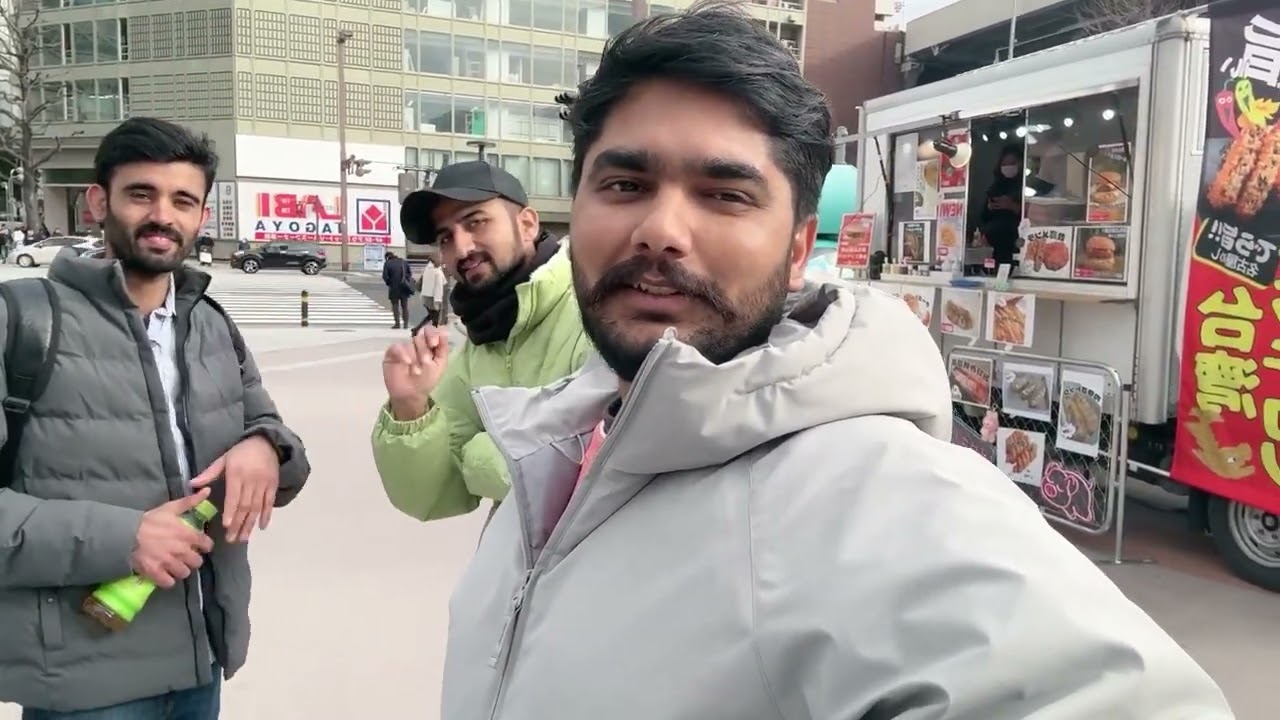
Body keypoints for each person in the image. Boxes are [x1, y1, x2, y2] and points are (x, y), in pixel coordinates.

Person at [434, 5, 1233, 718]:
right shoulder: (555, 444)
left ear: (796, 251)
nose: (660, 231)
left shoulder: (871, 492)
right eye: (624, 184)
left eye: (725, 195)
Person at [0, 117, 311, 718]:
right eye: (141, 194)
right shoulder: (21, 322)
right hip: (84, 685)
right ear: (98, 202)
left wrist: (267, 446)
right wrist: (124, 540)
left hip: (201, 666)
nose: (162, 216)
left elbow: (285, 454)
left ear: (201, 216)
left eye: (182, 201)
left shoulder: (210, 324)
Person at [372, 162, 592, 524]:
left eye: (476, 222)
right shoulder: (479, 345)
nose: (461, 249)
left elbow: (586, 468)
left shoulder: (593, 312)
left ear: (527, 225)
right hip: (516, 558)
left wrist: (477, 455)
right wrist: (410, 408)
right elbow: (430, 496)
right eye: (446, 237)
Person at [979, 143, 1025, 270]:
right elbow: (983, 217)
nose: (1008, 167)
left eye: (1012, 163)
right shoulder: (995, 187)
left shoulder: (1025, 186)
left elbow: (1033, 217)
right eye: (1004, 164)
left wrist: (1013, 206)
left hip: (1016, 243)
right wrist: (989, 207)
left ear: (1021, 163)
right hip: (994, 244)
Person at [382, 249, 414, 329]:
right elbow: (409, 273)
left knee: (395, 306)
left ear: (387, 257)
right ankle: (406, 324)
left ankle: (397, 324)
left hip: (394, 288)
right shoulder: (404, 262)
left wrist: (389, 283)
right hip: (404, 287)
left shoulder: (388, 263)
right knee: (404, 306)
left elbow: (385, 276)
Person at [415, 254, 447, 329]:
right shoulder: (438, 272)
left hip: (425, 297)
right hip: (432, 298)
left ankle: (417, 329)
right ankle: (418, 329)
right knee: (435, 318)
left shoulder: (427, 269)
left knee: (431, 316)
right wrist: (437, 301)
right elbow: (438, 288)